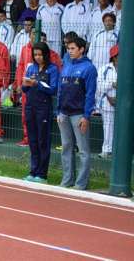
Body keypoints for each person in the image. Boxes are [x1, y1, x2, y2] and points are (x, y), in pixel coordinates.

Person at [57, 37, 97, 190]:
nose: (69, 51)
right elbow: (61, 90)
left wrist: (86, 116)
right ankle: (67, 181)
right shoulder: (66, 65)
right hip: (64, 114)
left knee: (83, 150)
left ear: (81, 49)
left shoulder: (89, 68)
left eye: (73, 48)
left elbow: (90, 94)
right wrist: (59, 111)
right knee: (66, 147)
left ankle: (80, 184)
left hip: (79, 115)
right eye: (68, 48)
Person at [21, 42, 60, 183]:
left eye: (40, 54)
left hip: (43, 107)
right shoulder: (31, 68)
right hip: (30, 106)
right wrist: (25, 84)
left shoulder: (53, 69)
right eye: (35, 55)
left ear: (46, 54)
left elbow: (53, 89)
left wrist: (38, 84)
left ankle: (42, 174)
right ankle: (33, 170)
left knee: (43, 140)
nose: (37, 57)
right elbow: (24, 89)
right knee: (32, 140)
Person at [96, 45, 118, 159]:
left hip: (125, 104)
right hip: (107, 102)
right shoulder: (105, 68)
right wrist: (112, 84)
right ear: (114, 57)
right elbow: (99, 87)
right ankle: (106, 150)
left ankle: (119, 151)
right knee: (108, 126)